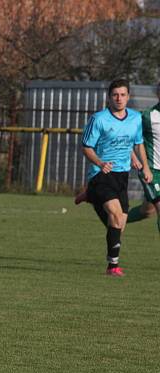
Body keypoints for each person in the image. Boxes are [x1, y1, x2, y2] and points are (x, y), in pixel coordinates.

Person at [80, 79, 152, 277]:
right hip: (101, 174)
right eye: (115, 95)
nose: (119, 98)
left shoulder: (135, 118)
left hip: (122, 176)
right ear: (109, 97)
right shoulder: (99, 119)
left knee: (119, 226)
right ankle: (113, 267)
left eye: (122, 95)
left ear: (128, 97)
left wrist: (143, 165)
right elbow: (86, 147)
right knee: (116, 217)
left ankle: (91, 196)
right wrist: (100, 162)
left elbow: (137, 143)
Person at [122, 81, 160, 233]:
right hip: (152, 170)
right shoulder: (147, 117)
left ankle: (114, 220)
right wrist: (135, 158)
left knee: (147, 211)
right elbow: (128, 137)